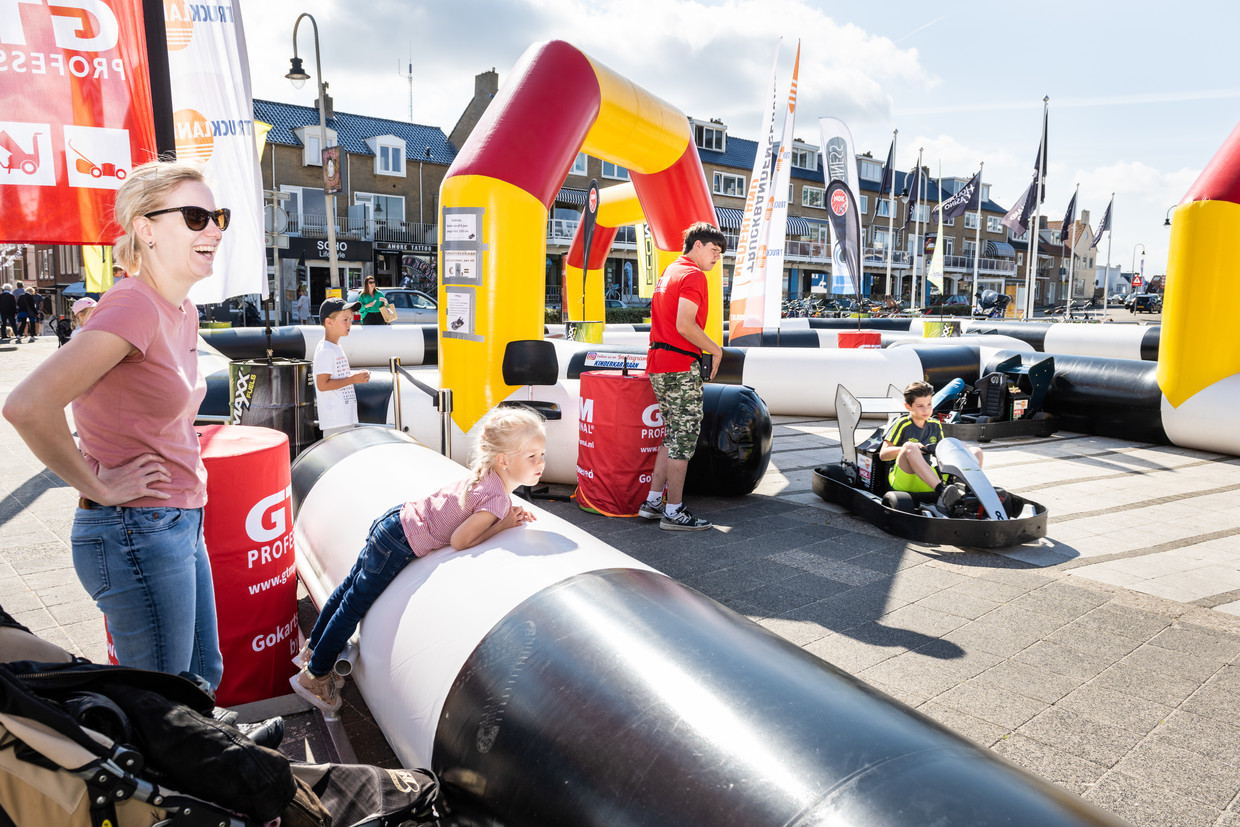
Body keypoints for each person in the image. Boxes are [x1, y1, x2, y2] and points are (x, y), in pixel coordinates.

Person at [2, 159, 228, 689]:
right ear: (146, 229)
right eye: (196, 216)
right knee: (165, 700)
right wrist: (98, 485)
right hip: (136, 529)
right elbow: (27, 405)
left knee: (200, 679)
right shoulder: (132, 304)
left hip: (178, 519)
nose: (214, 229)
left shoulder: (182, 309)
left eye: (218, 216)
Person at [290, 406, 545, 712]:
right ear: (503, 460)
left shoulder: (489, 479)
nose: (541, 462)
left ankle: (313, 651)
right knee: (353, 606)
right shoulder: (497, 498)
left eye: (542, 454)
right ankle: (315, 676)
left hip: (394, 521)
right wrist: (502, 526)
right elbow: (460, 540)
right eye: (532, 456)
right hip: (400, 542)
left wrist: (504, 516)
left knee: (346, 591)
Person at [638, 222, 725, 531]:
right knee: (684, 439)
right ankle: (673, 511)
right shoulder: (693, 275)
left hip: (658, 363)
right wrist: (716, 350)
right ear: (697, 245)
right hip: (678, 364)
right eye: (714, 251)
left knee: (671, 435)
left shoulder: (670, 271)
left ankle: (652, 502)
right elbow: (685, 325)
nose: (717, 258)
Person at [878, 380, 984, 512]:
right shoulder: (902, 424)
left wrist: (958, 449)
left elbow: (943, 452)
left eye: (929, 404)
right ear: (908, 407)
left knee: (976, 451)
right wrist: (915, 448)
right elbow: (883, 454)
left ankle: (971, 493)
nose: (926, 409)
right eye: (920, 406)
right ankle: (944, 492)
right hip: (905, 479)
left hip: (929, 478)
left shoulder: (935, 424)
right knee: (909, 446)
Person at [313, 297, 370, 436]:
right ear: (329, 322)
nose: (349, 324)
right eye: (345, 320)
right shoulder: (327, 350)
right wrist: (353, 379)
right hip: (336, 421)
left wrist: (355, 377)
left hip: (343, 419)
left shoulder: (335, 347)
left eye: (350, 320)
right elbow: (322, 385)